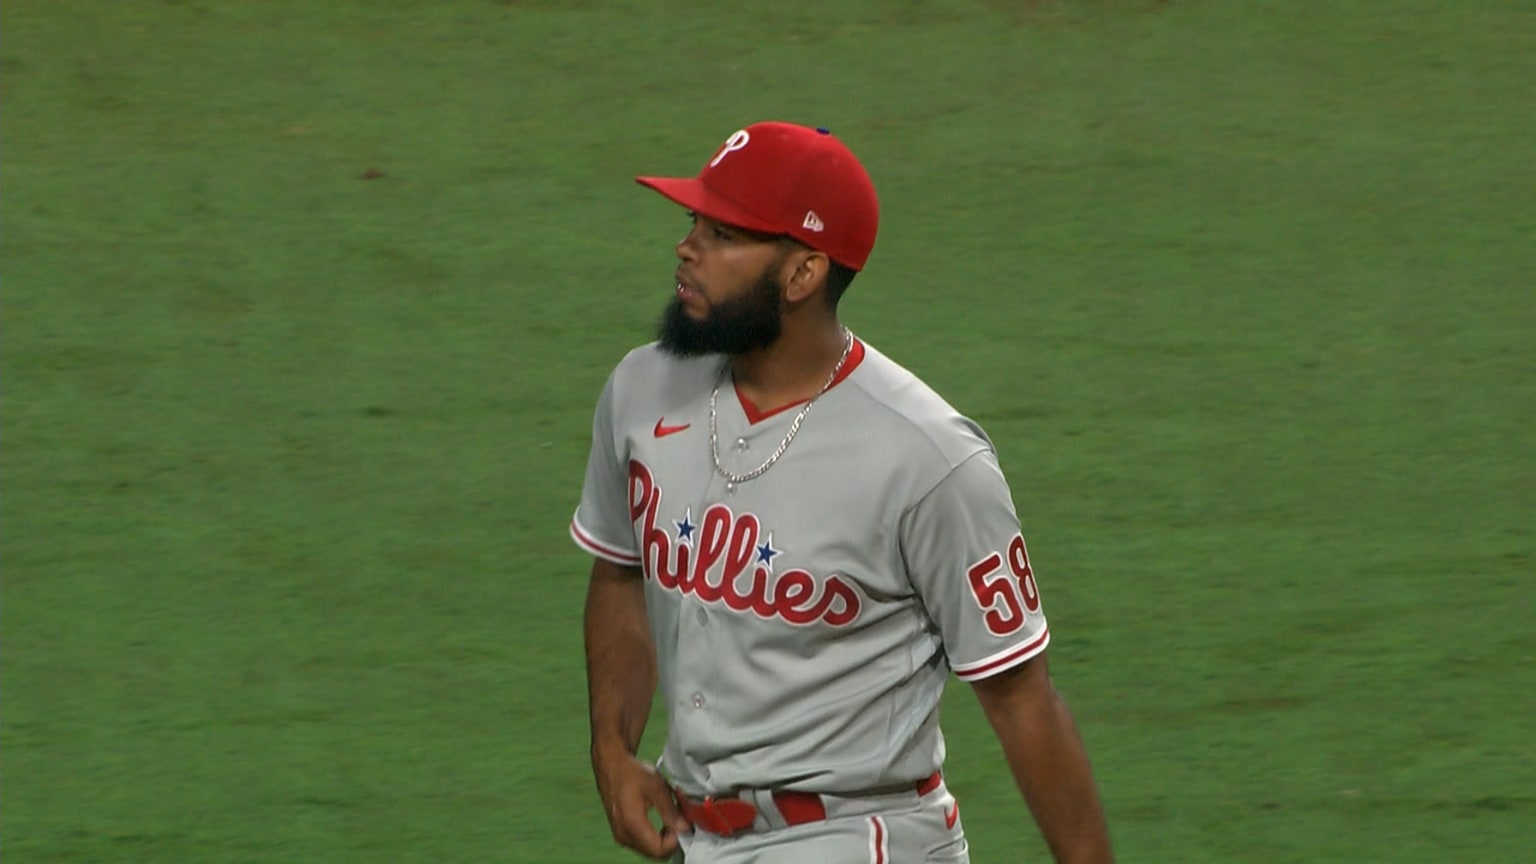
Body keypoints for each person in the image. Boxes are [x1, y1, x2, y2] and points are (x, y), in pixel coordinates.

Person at [571, 121, 1113, 863]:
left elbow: (1022, 700)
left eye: (724, 232)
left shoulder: (928, 458)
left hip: (859, 838)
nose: (687, 246)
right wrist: (612, 748)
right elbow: (620, 570)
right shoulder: (642, 387)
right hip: (698, 840)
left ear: (804, 275)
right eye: (692, 219)